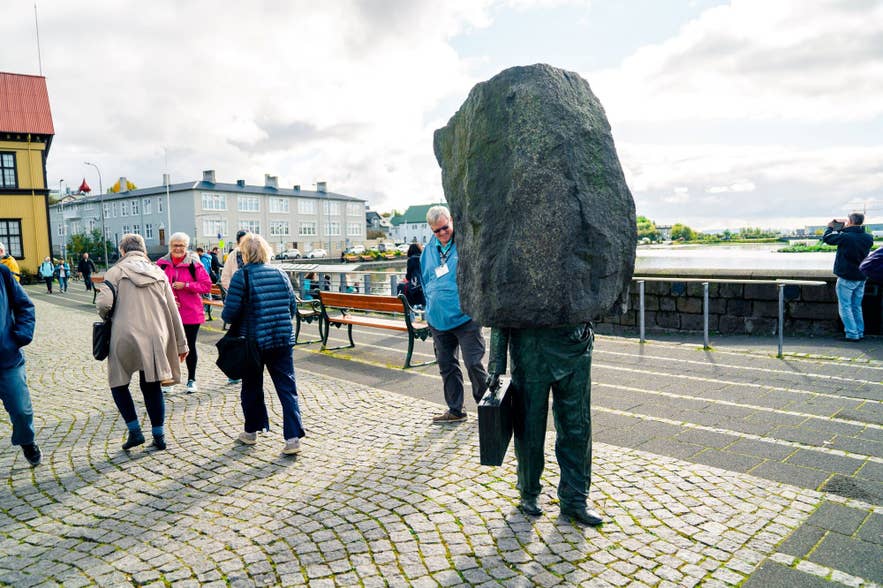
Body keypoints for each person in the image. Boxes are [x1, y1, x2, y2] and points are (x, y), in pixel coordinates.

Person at [96, 233, 188, 451]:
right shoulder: (158, 272)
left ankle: (135, 431)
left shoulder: (115, 271)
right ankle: (159, 435)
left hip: (124, 335)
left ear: (122, 250)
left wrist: (108, 317)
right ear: (144, 250)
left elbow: (104, 304)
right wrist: (182, 343)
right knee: (152, 384)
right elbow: (173, 310)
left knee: (118, 383)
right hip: (157, 336)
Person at [221, 234, 306, 455]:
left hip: (253, 341)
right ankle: (293, 438)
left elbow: (229, 314)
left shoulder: (242, 276)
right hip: (281, 339)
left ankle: (251, 432)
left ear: (244, 254)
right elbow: (292, 307)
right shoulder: (280, 272)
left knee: (251, 387)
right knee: (287, 388)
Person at [420, 205, 489, 423]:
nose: (442, 233)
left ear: (451, 220)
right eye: (436, 231)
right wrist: (429, 306)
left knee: (474, 364)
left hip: (465, 318)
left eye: (445, 228)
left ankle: (488, 409)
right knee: (447, 366)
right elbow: (424, 279)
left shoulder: (465, 243)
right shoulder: (428, 251)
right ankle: (455, 410)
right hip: (438, 320)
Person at [157, 233, 212, 393]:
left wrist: (186, 285)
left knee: (190, 346)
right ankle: (171, 380)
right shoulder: (161, 264)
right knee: (169, 346)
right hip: (169, 312)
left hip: (190, 312)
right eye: (175, 245)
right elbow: (155, 286)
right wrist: (169, 298)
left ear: (186, 247)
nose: (178, 248)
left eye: (181, 245)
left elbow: (206, 285)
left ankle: (191, 379)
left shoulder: (194, 264)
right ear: (170, 246)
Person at [0, 263, 41, 467]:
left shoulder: (2, 273)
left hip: (7, 359)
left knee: (21, 410)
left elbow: (25, 306)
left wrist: (21, 336)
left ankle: (27, 441)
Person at [823, 213, 874, 341]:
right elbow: (853, 238)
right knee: (856, 306)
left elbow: (827, 239)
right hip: (861, 277)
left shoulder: (846, 237)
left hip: (846, 277)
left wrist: (830, 227)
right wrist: (845, 228)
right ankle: (860, 331)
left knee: (845, 306)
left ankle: (852, 334)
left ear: (850, 221)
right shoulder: (868, 237)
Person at [220, 230, 249, 385]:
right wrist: (236, 293)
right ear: (238, 243)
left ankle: (250, 369)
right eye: (244, 241)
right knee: (238, 337)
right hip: (239, 302)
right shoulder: (234, 256)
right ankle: (235, 371)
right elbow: (225, 278)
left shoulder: (257, 253)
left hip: (254, 304)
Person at [404, 243, 425, 308]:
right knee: (424, 303)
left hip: (414, 285)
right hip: (424, 284)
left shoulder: (411, 260)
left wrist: (406, 279)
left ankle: (411, 315)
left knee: (411, 301)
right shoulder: (423, 258)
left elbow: (409, 274)